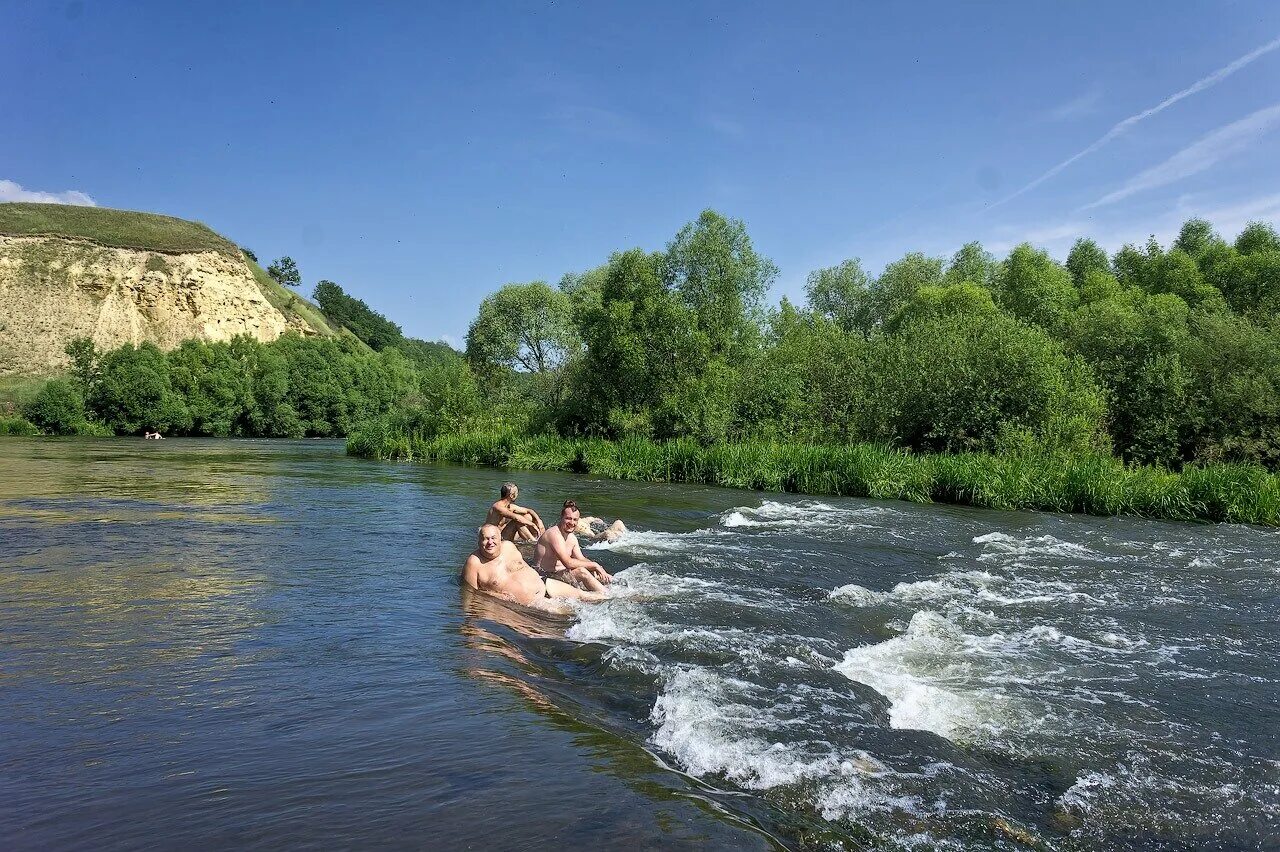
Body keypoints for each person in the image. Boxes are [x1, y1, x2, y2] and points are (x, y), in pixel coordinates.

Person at [461, 524, 604, 610]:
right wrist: (496, 596)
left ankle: (620, 597)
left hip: (544, 584)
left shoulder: (509, 546)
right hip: (532, 603)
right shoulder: (473, 563)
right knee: (574, 611)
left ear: (500, 538)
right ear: (479, 540)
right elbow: (470, 594)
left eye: (493, 538)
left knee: (588, 597)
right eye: (485, 538)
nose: (490, 542)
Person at [536, 500, 613, 592]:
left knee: (593, 571)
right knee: (582, 572)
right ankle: (608, 596)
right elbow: (568, 563)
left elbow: (581, 558)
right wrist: (594, 565)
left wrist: (598, 568)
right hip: (544, 577)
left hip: (560, 574)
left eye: (575, 519)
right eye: (568, 518)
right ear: (561, 518)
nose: (572, 523)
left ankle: (609, 588)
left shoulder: (572, 538)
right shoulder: (554, 534)